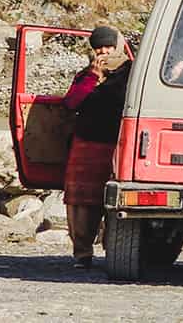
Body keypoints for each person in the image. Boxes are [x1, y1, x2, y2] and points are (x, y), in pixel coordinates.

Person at [62, 26, 129, 268]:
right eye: (98, 47)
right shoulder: (85, 75)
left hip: (115, 144)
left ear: (117, 47)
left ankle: (116, 250)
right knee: (80, 201)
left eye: (108, 47)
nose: (103, 51)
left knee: (115, 199)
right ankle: (82, 252)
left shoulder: (130, 73)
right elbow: (71, 103)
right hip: (85, 143)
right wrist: (93, 77)